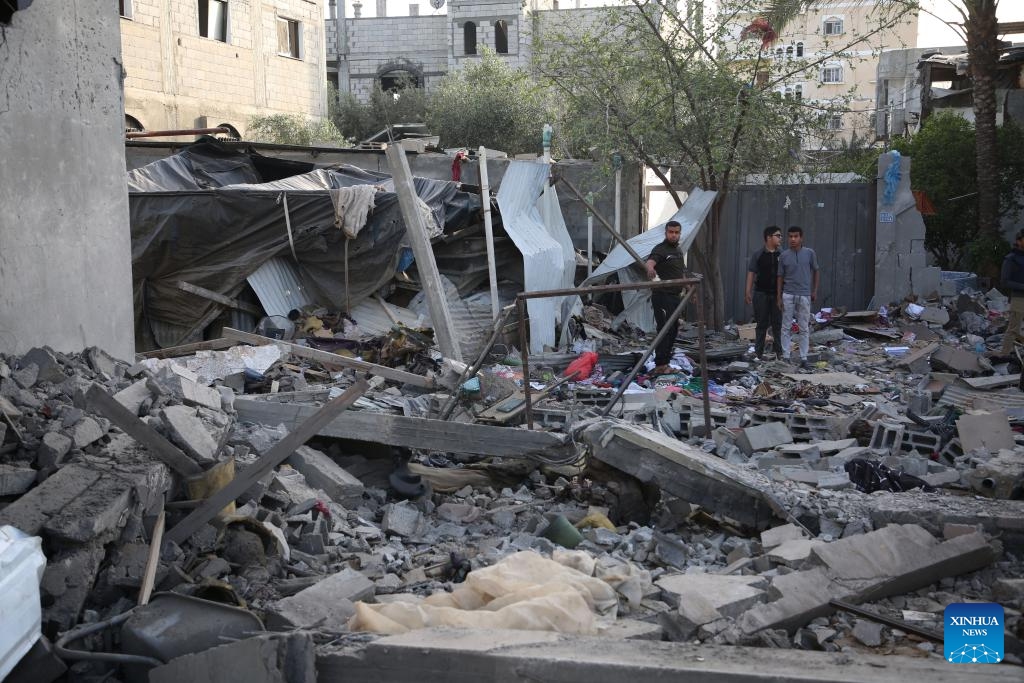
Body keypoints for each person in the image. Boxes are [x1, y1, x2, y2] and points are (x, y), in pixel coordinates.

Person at [646, 220, 688, 375]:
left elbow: (681, 273)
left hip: (675, 297)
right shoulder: (660, 249)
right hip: (662, 296)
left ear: (680, 234)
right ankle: (660, 365)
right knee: (664, 330)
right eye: (671, 232)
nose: (674, 235)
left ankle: (665, 363)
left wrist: (690, 288)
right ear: (666, 233)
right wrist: (650, 268)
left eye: (676, 232)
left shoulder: (678, 251)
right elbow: (650, 262)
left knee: (673, 330)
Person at [776, 225, 819, 367]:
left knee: (804, 327)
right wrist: (779, 297)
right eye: (790, 236)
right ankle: (786, 356)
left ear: (801, 238)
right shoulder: (784, 256)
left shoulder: (809, 253)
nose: (793, 239)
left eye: (796, 236)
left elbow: (816, 271)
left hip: (804, 294)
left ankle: (804, 357)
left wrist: (814, 290)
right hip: (788, 294)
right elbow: (780, 277)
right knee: (786, 326)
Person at [745, 225, 783, 360]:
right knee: (761, 324)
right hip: (761, 294)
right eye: (778, 236)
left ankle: (780, 353)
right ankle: (758, 353)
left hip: (777, 295)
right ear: (768, 237)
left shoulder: (782, 254)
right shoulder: (758, 254)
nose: (780, 238)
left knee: (777, 324)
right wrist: (748, 291)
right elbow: (751, 273)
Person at [1000, 229, 1024, 354]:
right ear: (1019, 241)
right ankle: (1004, 354)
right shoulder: (1011, 259)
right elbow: (1004, 281)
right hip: (1019, 298)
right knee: (1014, 328)